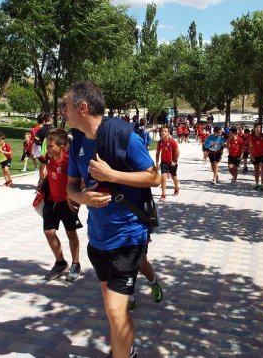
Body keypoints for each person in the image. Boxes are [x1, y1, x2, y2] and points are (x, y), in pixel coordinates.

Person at [64, 81, 160, 358]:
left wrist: (112, 176)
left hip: (128, 238)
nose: (63, 111)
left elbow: (154, 177)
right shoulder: (78, 143)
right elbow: (71, 188)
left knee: (117, 312)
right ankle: (125, 351)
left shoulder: (123, 135)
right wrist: (82, 198)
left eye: (66, 106)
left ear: (82, 107)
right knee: (111, 310)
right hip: (98, 240)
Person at [41, 128, 83, 282]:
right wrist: (43, 183)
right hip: (51, 201)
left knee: (71, 233)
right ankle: (60, 262)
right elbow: (51, 175)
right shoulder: (49, 158)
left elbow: (81, 181)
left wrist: (76, 198)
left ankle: (75, 264)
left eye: (51, 146)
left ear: (62, 147)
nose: (48, 148)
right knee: (49, 232)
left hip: (68, 203)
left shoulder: (69, 161)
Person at [155, 126, 180, 201]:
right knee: (163, 176)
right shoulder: (160, 142)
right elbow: (157, 153)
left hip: (172, 162)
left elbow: (177, 152)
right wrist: (157, 163)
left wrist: (175, 161)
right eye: (162, 131)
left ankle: (176, 188)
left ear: (168, 133)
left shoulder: (172, 141)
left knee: (173, 176)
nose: (163, 132)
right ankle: (163, 194)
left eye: (165, 131)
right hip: (164, 163)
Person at [250, 123, 263, 191]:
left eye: (260, 127)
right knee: (256, 170)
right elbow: (250, 146)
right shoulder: (251, 136)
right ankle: (257, 184)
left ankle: (262, 184)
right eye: (257, 127)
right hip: (255, 155)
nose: (258, 128)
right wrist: (251, 155)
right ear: (254, 128)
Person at [36, 113, 54, 181]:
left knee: (42, 166)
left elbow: (36, 140)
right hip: (52, 151)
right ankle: (49, 181)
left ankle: (41, 180)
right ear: (50, 119)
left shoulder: (41, 130)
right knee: (50, 166)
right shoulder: (53, 129)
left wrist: (42, 144)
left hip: (43, 151)